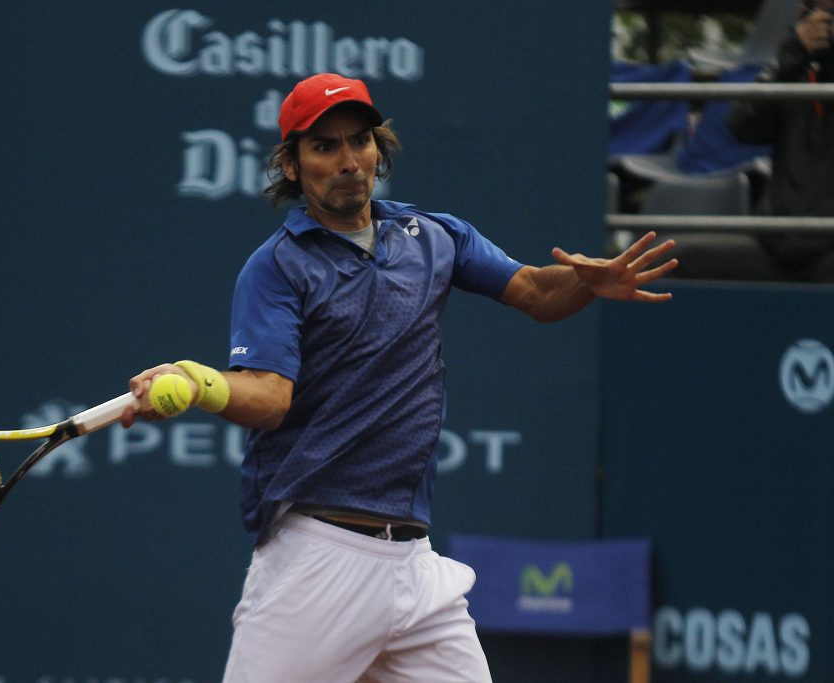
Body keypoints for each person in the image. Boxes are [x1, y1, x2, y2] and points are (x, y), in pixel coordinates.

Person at [121, 73, 677, 683]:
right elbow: (272, 397)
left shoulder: (434, 236)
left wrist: (585, 281)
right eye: (324, 146)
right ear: (291, 165)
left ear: (379, 150)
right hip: (319, 561)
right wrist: (202, 383)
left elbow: (536, 293)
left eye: (359, 141)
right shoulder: (278, 268)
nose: (348, 161)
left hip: (415, 567)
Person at [721, 0, 834, 281]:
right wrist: (793, 53)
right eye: (820, 15)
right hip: (779, 243)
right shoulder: (794, 68)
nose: (826, 26)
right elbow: (742, 127)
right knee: (677, 260)